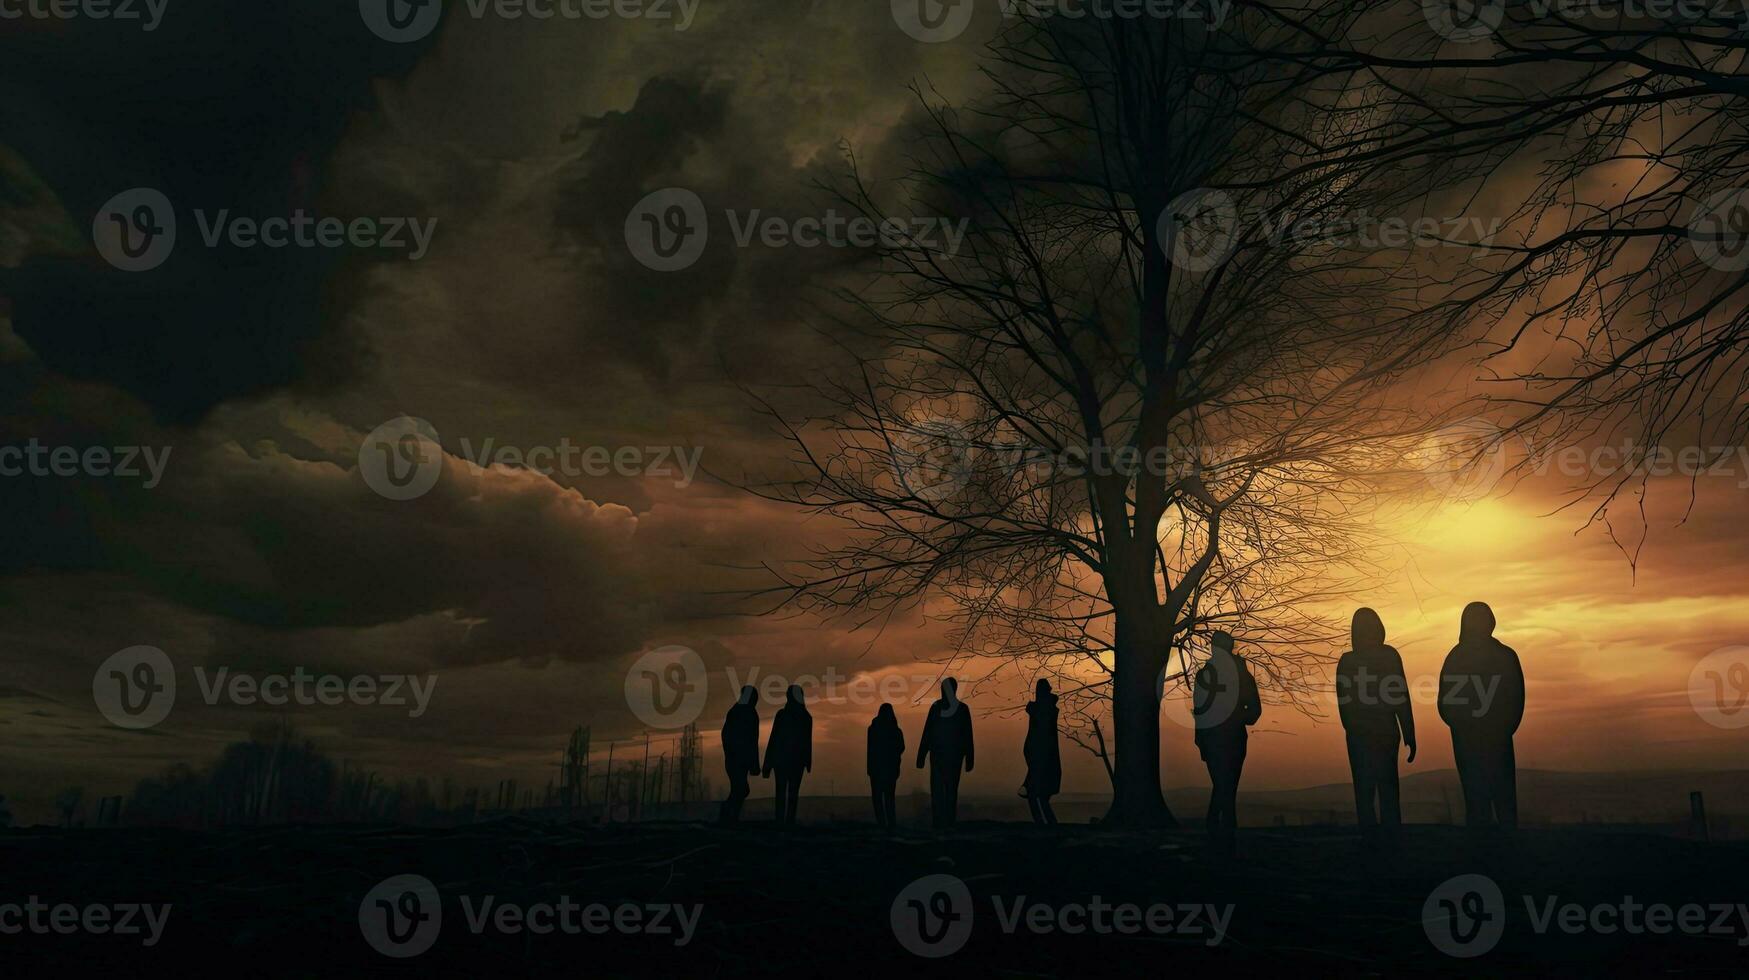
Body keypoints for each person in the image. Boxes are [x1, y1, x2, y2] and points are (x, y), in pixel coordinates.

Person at [1439, 601, 1524, 834]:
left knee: (1498, 794)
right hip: (1476, 737)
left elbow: (1515, 698)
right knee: (1479, 796)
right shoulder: (1460, 657)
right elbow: (1446, 703)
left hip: (1492, 737)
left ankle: (1500, 845)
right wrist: (1463, 726)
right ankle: (1485, 846)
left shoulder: (1502, 656)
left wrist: (1503, 728)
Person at [1336, 608, 1417, 850]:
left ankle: (1378, 838)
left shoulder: (1356, 661)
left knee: (1371, 788)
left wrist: (1409, 732)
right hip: (1376, 732)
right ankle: (1383, 838)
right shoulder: (1385, 657)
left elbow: (1399, 695)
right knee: (1379, 787)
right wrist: (1408, 732)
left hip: (1371, 734)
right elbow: (1399, 696)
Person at [1193, 631, 1262, 856]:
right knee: (1226, 784)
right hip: (1222, 736)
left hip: (1223, 736)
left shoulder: (1216, 675)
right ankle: (1223, 829)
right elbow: (1200, 710)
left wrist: (1234, 718)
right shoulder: (1223, 675)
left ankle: (1217, 827)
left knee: (1224, 784)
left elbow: (1253, 710)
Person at [916, 677, 974, 829]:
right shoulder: (959, 709)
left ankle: (943, 822)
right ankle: (945, 822)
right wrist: (969, 757)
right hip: (948, 756)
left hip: (945, 756)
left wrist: (921, 755)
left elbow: (967, 735)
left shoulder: (941, 708)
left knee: (944, 790)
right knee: (946, 790)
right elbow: (928, 732)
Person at [762, 684, 812, 828]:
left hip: (782, 761)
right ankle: (789, 821)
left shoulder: (782, 715)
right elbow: (806, 742)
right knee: (792, 793)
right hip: (797, 761)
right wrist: (808, 761)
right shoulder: (806, 717)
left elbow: (774, 740)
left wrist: (768, 763)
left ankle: (780, 821)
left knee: (781, 791)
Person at [718, 685, 761, 826]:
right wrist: (754, 764)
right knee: (741, 789)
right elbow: (752, 741)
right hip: (739, 758)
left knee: (740, 788)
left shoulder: (735, 711)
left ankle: (730, 815)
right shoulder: (749, 714)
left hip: (734, 758)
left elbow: (726, 735)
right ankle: (729, 815)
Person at [1021, 679, 1061, 825]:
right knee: (1039, 794)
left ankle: (1046, 823)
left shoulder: (1042, 710)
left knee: (1037, 794)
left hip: (1042, 755)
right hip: (1042, 755)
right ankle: (1048, 823)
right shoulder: (1046, 709)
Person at [867, 703, 905, 831]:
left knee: (877, 798)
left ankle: (882, 823)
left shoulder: (873, 729)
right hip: (889, 769)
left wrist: (870, 768)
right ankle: (891, 824)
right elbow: (901, 747)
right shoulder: (895, 730)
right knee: (889, 797)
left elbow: (871, 750)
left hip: (876, 769)